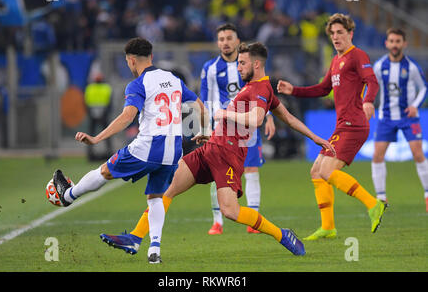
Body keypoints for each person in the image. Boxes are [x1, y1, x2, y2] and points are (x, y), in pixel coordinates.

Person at [101, 42, 336, 263]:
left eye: (242, 63)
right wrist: (317, 138)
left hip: (228, 155)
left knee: (230, 211)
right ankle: (135, 238)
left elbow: (255, 119)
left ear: (256, 64)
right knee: (167, 187)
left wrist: (224, 114)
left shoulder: (260, 88)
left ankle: (281, 234)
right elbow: (290, 118)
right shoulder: (257, 88)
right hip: (212, 147)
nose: (239, 67)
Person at [51, 38, 208, 253]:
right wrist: (204, 132)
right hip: (173, 151)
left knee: (105, 171)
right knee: (155, 197)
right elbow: (201, 106)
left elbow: (127, 117)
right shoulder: (172, 79)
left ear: (132, 60)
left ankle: (67, 196)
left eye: (127, 62)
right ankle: (154, 250)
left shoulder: (138, 84)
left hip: (150, 146)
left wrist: (97, 138)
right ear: (151, 57)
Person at [277, 13, 387, 240]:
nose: (336, 37)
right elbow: (322, 88)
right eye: (333, 33)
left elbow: (372, 81)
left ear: (350, 34)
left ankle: (373, 204)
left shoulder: (357, 55)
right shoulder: (336, 61)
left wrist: (368, 101)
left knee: (327, 171)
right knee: (316, 171)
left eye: (340, 33)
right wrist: (294, 90)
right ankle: (328, 227)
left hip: (354, 125)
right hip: (341, 126)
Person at [201, 23, 276, 235]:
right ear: (218, 43)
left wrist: (268, 116)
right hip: (222, 129)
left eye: (229, 38)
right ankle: (217, 221)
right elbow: (206, 100)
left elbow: (262, 92)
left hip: (248, 127)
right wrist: (206, 128)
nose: (225, 42)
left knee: (252, 170)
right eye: (221, 39)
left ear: (237, 41)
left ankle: (254, 220)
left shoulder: (249, 65)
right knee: (218, 174)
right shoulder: (210, 68)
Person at [371, 28, 428, 211]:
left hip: (408, 118)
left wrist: (415, 106)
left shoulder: (411, 67)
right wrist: (368, 103)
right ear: (386, 43)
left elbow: (424, 88)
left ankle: (427, 193)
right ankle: (381, 198)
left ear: (404, 44)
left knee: (418, 154)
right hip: (386, 117)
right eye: (392, 41)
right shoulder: (379, 66)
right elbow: (371, 87)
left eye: (398, 41)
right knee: (377, 156)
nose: (395, 45)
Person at [84, 73, 113, 161]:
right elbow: (110, 102)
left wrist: (90, 112)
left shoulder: (90, 88)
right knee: (107, 134)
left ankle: (90, 154)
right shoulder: (106, 87)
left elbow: (86, 101)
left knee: (91, 135)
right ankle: (108, 152)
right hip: (103, 113)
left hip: (93, 113)